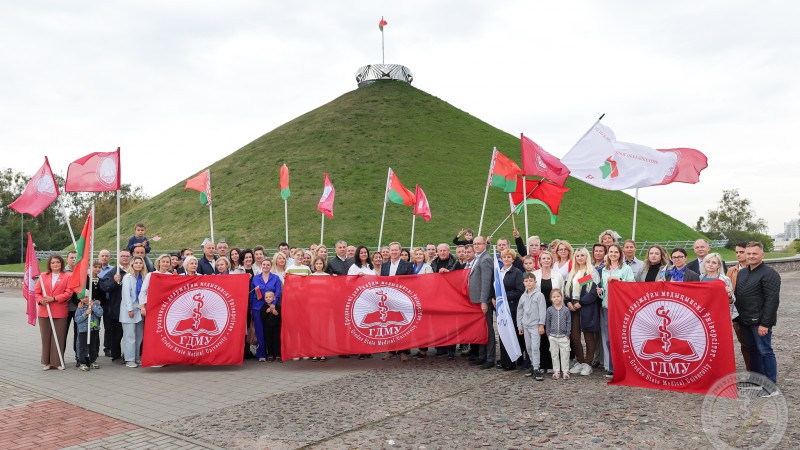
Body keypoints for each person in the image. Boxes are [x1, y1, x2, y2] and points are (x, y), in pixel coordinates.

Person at [734, 242, 781, 394]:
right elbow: (739, 297)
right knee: (752, 350)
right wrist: (736, 319)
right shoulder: (742, 273)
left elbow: (772, 301)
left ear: (762, 255)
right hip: (745, 320)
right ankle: (756, 381)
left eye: (754, 253)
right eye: (748, 253)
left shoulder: (769, 274)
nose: (751, 256)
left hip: (759, 322)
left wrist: (765, 324)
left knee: (765, 351)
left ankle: (771, 386)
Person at [597, 243, 635, 377]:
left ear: (620, 254)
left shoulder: (626, 268)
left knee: (622, 338)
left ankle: (625, 367)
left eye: (616, 252)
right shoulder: (604, 269)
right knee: (609, 339)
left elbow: (632, 285)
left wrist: (619, 280)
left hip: (620, 308)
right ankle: (612, 367)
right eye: (611, 252)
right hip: (607, 307)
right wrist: (600, 291)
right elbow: (603, 289)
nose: (613, 254)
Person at [564, 248, 599, 376]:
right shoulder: (572, 272)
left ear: (587, 257)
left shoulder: (591, 272)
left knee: (588, 336)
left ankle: (588, 364)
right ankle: (580, 361)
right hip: (572, 307)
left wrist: (581, 303)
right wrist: (567, 301)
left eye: (582, 255)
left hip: (586, 306)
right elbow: (566, 289)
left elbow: (592, 291)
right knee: (574, 336)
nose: (580, 258)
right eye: (577, 255)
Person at [34, 255, 73, 371]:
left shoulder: (67, 276)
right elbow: (37, 292)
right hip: (44, 311)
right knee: (45, 337)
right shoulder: (43, 276)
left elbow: (68, 292)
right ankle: (46, 362)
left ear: (61, 263)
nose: (55, 265)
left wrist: (54, 298)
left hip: (59, 311)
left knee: (58, 337)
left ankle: (57, 362)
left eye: (57, 262)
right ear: (49, 265)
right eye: (53, 263)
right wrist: (41, 300)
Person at [381, 242, 415, 361]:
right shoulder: (384, 266)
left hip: (402, 299)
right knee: (389, 324)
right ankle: (391, 350)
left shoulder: (407, 265)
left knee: (402, 325)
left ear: (400, 251)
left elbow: (412, 283)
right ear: (389, 251)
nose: (394, 252)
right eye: (392, 250)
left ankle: (403, 351)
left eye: (396, 250)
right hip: (388, 299)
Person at [466, 237, 495, 370]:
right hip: (476, 300)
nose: (476, 246)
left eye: (479, 244)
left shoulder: (485, 259)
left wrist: (484, 301)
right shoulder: (479, 257)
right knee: (481, 329)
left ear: (485, 245)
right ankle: (482, 356)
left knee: (488, 330)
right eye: (475, 244)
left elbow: (486, 282)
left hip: (483, 301)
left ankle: (490, 358)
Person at [99, 250, 130, 361]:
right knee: (116, 333)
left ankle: (129, 355)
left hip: (132, 308)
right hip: (116, 307)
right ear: (118, 257)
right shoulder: (113, 272)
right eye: (122, 256)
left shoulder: (134, 270)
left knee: (130, 333)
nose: (125, 258)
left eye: (127, 256)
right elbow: (104, 286)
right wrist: (113, 280)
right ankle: (115, 355)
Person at [497, 249, 524, 370]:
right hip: (501, 308)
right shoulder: (498, 272)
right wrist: (494, 297)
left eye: (509, 257)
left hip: (512, 307)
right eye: (504, 257)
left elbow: (520, 290)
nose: (506, 259)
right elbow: (495, 287)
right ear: (501, 259)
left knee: (512, 334)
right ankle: (504, 360)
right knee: (502, 334)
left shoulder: (517, 272)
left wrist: (504, 296)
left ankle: (512, 361)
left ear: (513, 259)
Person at [726, 242, 751, 371]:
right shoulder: (732, 270)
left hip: (753, 312)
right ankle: (750, 370)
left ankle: (761, 371)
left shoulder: (755, 268)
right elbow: (727, 291)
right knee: (744, 343)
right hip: (737, 312)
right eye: (737, 252)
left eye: (741, 252)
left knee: (758, 344)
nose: (738, 255)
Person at [252, 259, 282, 361]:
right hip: (258, 307)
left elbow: (278, 293)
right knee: (260, 330)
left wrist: (273, 304)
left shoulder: (276, 278)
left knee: (272, 330)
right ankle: (261, 354)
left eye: (268, 265)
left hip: (272, 307)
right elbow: (253, 294)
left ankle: (274, 353)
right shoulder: (255, 278)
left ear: (271, 266)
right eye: (264, 264)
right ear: (261, 266)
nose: (265, 266)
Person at [517, 272, 546, 380]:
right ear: (523, 282)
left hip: (535, 326)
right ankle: (533, 366)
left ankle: (537, 368)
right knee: (528, 347)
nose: (529, 283)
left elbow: (542, 311)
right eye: (526, 281)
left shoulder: (539, 295)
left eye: (531, 281)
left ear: (535, 282)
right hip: (525, 325)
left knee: (535, 347)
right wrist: (520, 326)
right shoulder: (523, 296)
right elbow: (519, 311)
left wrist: (541, 325)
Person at [121, 256, 146, 368]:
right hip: (129, 310)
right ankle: (129, 359)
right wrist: (130, 309)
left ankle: (136, 357)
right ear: (132, 264)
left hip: (140, 309)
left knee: (139, 336)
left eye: (140, 263)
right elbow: (126, 295)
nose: (138, 264)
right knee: (129, 336)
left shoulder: (143, 277)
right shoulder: (128, 277)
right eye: (136, 262)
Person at [700, 253, 737, 321]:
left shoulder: (725, 279)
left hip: (720, 315)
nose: (710, 264)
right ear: (704, 263)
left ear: (719, 265)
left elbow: (732, 301)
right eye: (708, 262)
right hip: (705, 315)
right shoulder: (700, 278)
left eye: (714, 263)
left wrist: (729, 296)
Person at [546, 289, 572, 379]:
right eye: (554, 297)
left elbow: (569, 322)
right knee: (554, 354)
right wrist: (548, 334)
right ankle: (556, 371)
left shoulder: (566, 310)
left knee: (565, 354)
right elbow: (548, 322)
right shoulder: (549, 310)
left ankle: (565, 371)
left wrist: (568, 334)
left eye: (558, 296)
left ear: (561, 297)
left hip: (564, 337)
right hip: (553, 336)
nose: (556, 298)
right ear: (551, 299)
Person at [74, 294, 103, 372]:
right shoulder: (80, 308)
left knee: (93, 346)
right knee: (83, 347)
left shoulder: (95, 305)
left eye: (87, 297)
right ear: (80, 300)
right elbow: (77, 319)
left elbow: (100, 313)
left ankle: (92, 360)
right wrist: (85, 314)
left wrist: (93, 306)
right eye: (83, 298)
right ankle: (82, 362)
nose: (85, 299)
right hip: (84, 330)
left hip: (94, 329)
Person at [259, 290, 282, 362]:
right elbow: (262, 317)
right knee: (268, 341)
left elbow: (281, 318)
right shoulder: (263, 307)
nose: (268, 298)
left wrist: (277, 314)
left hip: (276, 328)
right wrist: (266, 311)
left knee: (277, 341)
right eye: (266, 297)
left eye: (270, 297)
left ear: (274, 298)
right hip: (267, 328)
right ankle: (270, 355)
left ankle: (278, 355)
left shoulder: (278, 306)